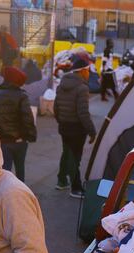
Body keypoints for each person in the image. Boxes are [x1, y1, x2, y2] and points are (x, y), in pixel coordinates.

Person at [54, 56, 96, 198]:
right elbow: (83, 113)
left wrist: (62, 121)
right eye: (88, 70)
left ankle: (61, 180)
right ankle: (76, 187)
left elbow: (56, 108)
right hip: (77, 129)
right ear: (82, 71)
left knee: (66, 153)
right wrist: (92, 131)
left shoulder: (61, 85)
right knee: (75, 158)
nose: (89, 73)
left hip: (64, 127)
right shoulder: (82, 88)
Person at [0, 66, 37, 182]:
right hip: (19, 140)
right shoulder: (21, 96)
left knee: (5, 171)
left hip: (2, 140)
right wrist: (31, 136)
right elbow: (28, 119)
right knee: (20, 169)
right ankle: (20, 193)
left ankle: (5, 194)